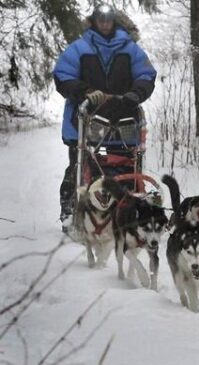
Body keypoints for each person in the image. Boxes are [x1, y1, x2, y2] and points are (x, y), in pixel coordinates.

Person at [53, 3, 156, 230]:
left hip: (123, 116)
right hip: (85, 117)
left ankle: (128, 210)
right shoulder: (80, 48)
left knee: (128, 165)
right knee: (78, 165)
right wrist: (86, 92)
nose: (105, 24)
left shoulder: (130, 49)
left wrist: (134, 94)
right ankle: (71, 212)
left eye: (109, 20)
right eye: (101, 20)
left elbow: (146, 74)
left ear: (114, 22)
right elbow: (63, 73)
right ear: (95, 21)